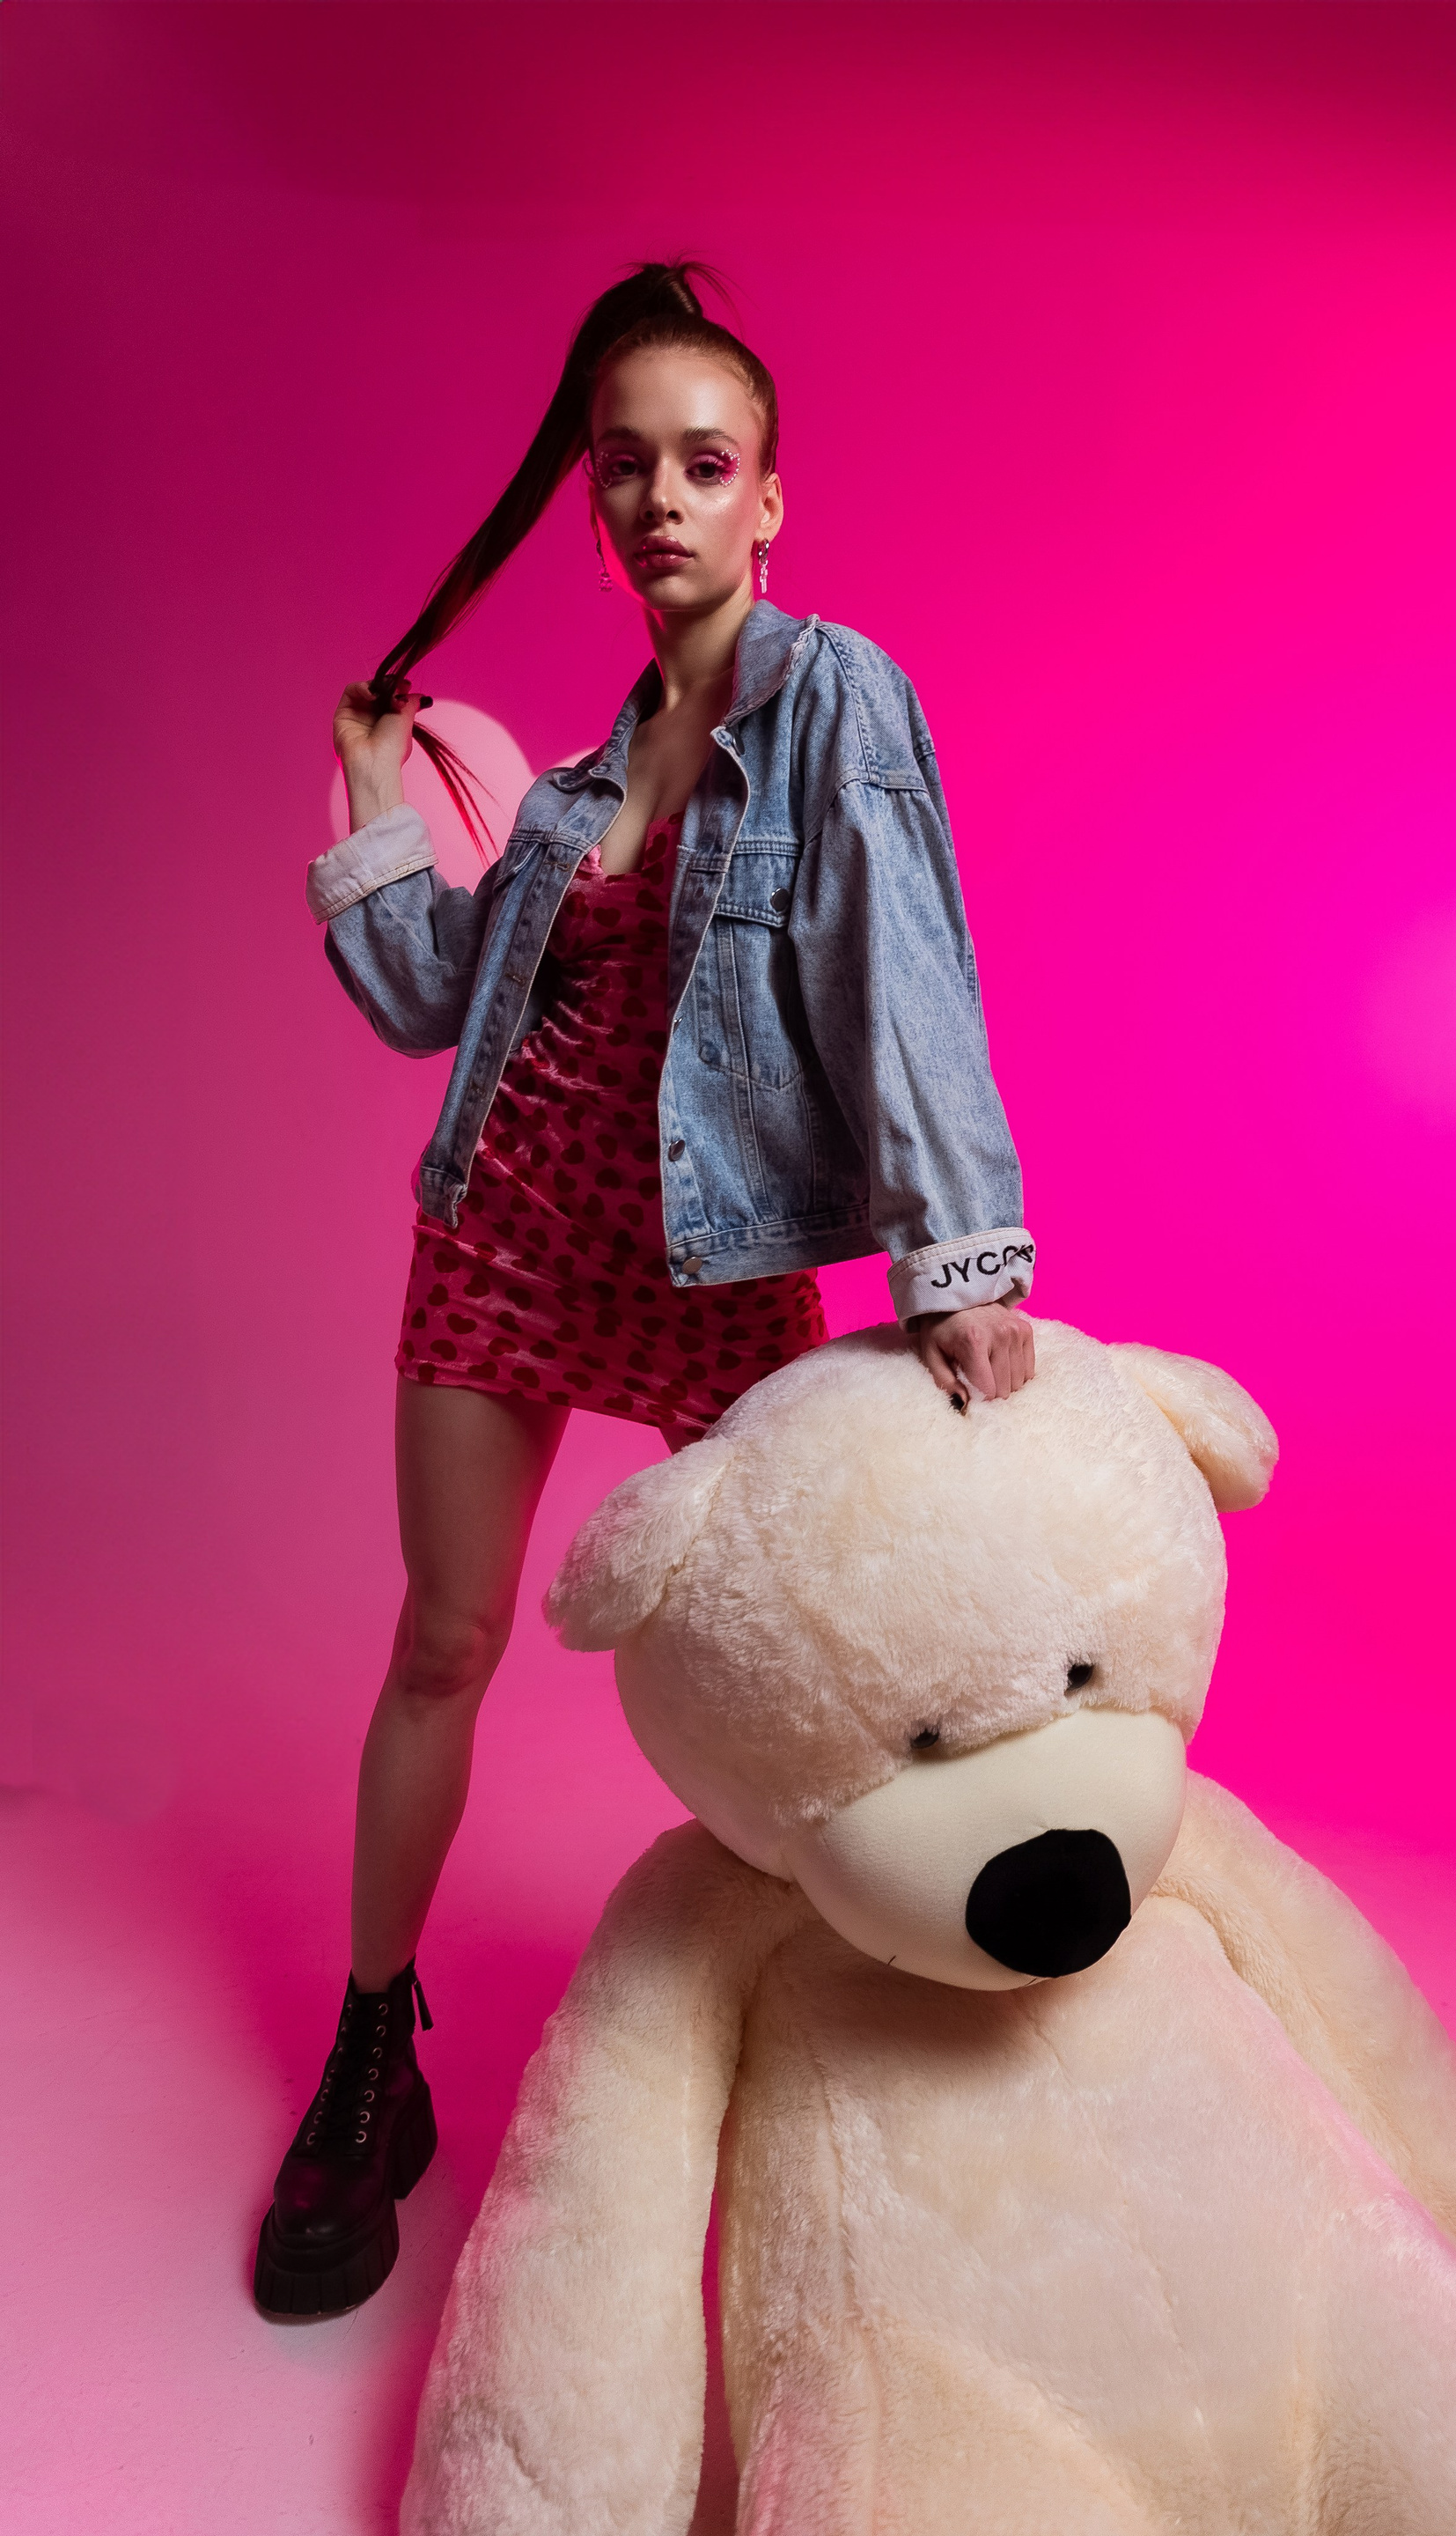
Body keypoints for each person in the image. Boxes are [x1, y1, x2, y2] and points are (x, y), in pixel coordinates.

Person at [255, 262, 1036, 2318]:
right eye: (625, 468)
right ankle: (369, 2057)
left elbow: (905, 975)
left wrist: (960, 1260)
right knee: (444, 1641)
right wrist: (373, 797)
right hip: (503, 1234)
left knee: (803, 1659)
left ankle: (856, 2048)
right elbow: (431, 997)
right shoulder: (568, 797)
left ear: (769, 499)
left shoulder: (833, 702)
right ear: (594, 509)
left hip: (715, 1262)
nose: (659, 500)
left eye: (703, 464)